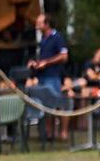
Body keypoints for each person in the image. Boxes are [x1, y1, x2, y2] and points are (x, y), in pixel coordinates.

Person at [28, 13, 70, 141]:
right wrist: (36, 63)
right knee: (46, 106)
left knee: (57, 104)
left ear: (47, 24)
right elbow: (43, 59)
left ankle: (63, 133)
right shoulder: (43, 39)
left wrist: (47, 62)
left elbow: (64, 56)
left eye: (39, 23)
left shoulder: (57, 37)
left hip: (53, 77)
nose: (37, 25)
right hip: (42, 77)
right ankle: (49, 133)